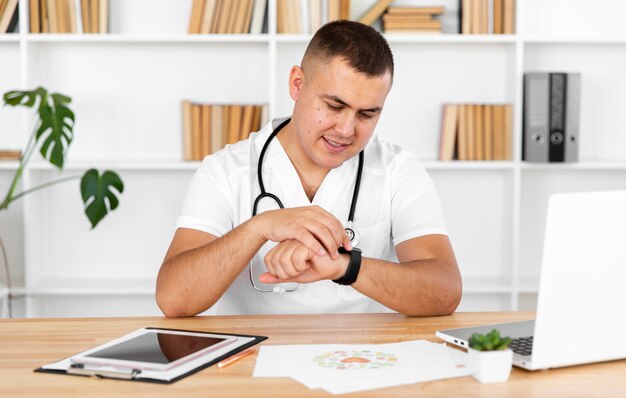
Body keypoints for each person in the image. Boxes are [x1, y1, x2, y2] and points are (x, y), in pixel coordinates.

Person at [156, 20, 462, 318]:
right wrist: (258, 228)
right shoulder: (224, 170)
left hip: (364, 359)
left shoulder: (398, 169)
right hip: (252, 360)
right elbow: (173, 299)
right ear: (297, 84)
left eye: (366, 114)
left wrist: (347, 267)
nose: (346, 129)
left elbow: (445, 291)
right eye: (334, 106)